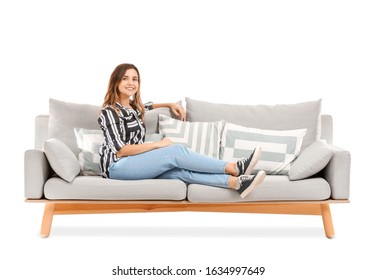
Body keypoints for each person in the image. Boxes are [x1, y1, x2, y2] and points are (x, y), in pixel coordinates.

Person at [98, 63, 266, 198]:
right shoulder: (110, 111)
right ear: (116, 82)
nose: (131, 83)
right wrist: (158, 145)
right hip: (116, 167)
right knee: (174, 152)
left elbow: (147, 106)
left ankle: (235, 183)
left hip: (135, 164)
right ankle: (233, 168)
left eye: (135, 79)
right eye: (125, 78)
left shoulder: (134, 107)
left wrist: (169, 104)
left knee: (180, 173)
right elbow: (121, 151)